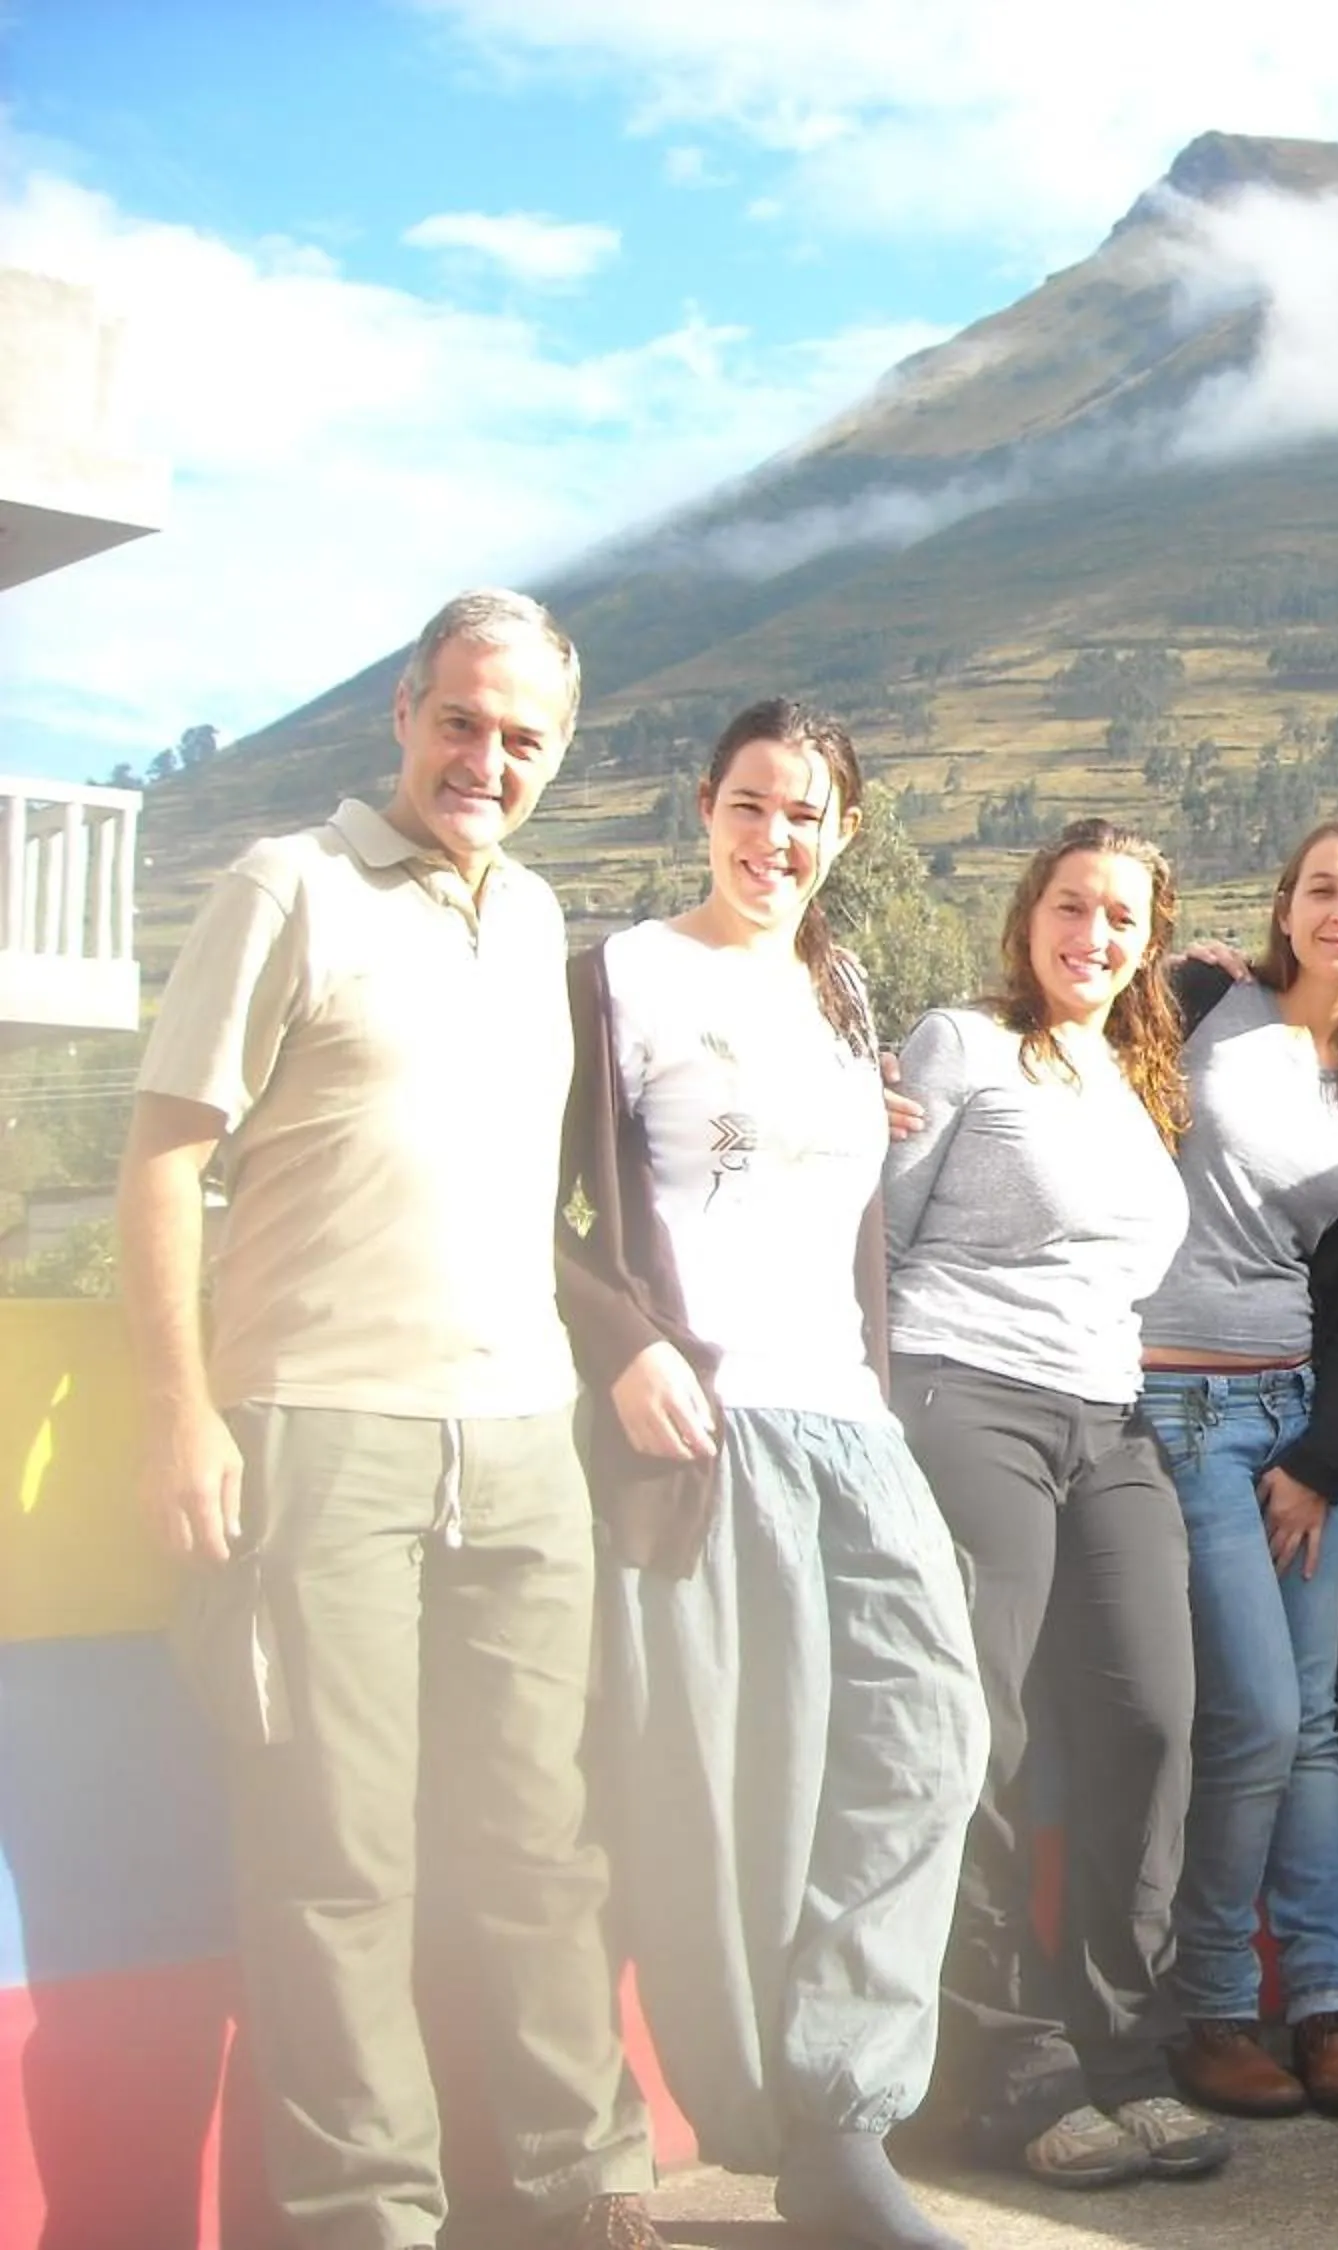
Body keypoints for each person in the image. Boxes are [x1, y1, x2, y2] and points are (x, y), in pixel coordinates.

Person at [116, 590, 662, 2250]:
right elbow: (163, 1160)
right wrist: (179, 1414)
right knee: (339, 1866)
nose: (485, 759)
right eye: (460, 721)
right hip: (316, 1433)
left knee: (538, 1851)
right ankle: (371, 2220)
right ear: (403, 715)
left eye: (523, 738)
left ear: (558, 754)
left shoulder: (537, 917)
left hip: (518, 1445)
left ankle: (580, 2189)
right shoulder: (288, 886)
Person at [555, 699, 985, 2250]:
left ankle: (842, 2107)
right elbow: (537, 1199)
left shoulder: (838, 988)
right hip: (708, 1424)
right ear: (704, 804)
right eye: (751, 803)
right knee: (716, 1777)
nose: (775, 837)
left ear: (844, 831)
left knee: (930, 1739)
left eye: (807, 814)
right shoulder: (621, 976)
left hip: (851, 1421)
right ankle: (743, 2134)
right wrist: (624, 1340)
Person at [881, 820, 1232, 2191]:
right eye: (1072, 906)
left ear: (1149, 940)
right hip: (965, 1389)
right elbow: (883, 1230)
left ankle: (1121, 2042)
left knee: (1152, 1717)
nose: (1094, 934)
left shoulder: (1131, 1069)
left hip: (1109, 1414)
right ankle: (1007, 2057)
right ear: (1031, 915)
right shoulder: (959, 1043)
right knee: (988, 1727)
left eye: (1122, 918)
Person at [1141, 813, 1338, 2122]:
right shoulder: (1199, 997)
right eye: (1322, 887)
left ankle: (1328, 2000)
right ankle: (1213, 2003)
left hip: (1294, 1420)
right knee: (1257, 1718)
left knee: (1313, 1727)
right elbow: (1047, 1051)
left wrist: (1323, 1456)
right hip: (1175, 1405)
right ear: (1284, 905)